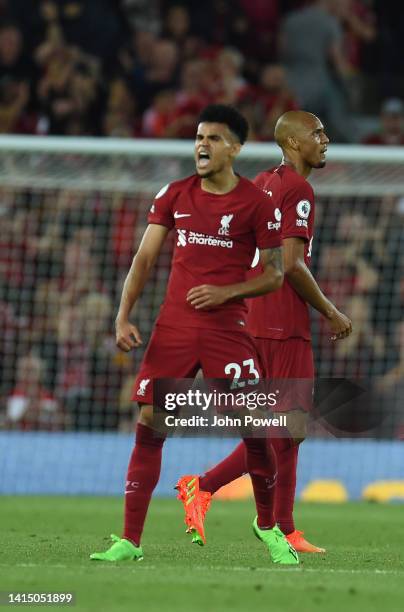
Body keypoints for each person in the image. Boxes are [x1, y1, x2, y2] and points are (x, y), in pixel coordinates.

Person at [90, 104, 298, 565]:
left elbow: (275, 275)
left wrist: (227, 292)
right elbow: (143, 259)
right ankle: (129, 541)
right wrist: (122, 316)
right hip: (175, 327)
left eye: (214, 138)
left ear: (236, 149)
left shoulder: (256, 203)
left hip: (228, 329)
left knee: (255, 429)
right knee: (149, 422)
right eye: (199, 137)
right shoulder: (175, 194)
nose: (202, 145)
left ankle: (267, 527)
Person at [176, 110, 353, 553]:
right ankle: (203, 485)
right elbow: (292, 263)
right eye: (317, 133)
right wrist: (331, 311)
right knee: (283, 428)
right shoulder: (299, 189)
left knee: (288, 430)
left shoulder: (262, 181)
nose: (325, 139)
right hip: (282, 320)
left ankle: (284, 527)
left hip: (255, 315)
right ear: (293, 143)